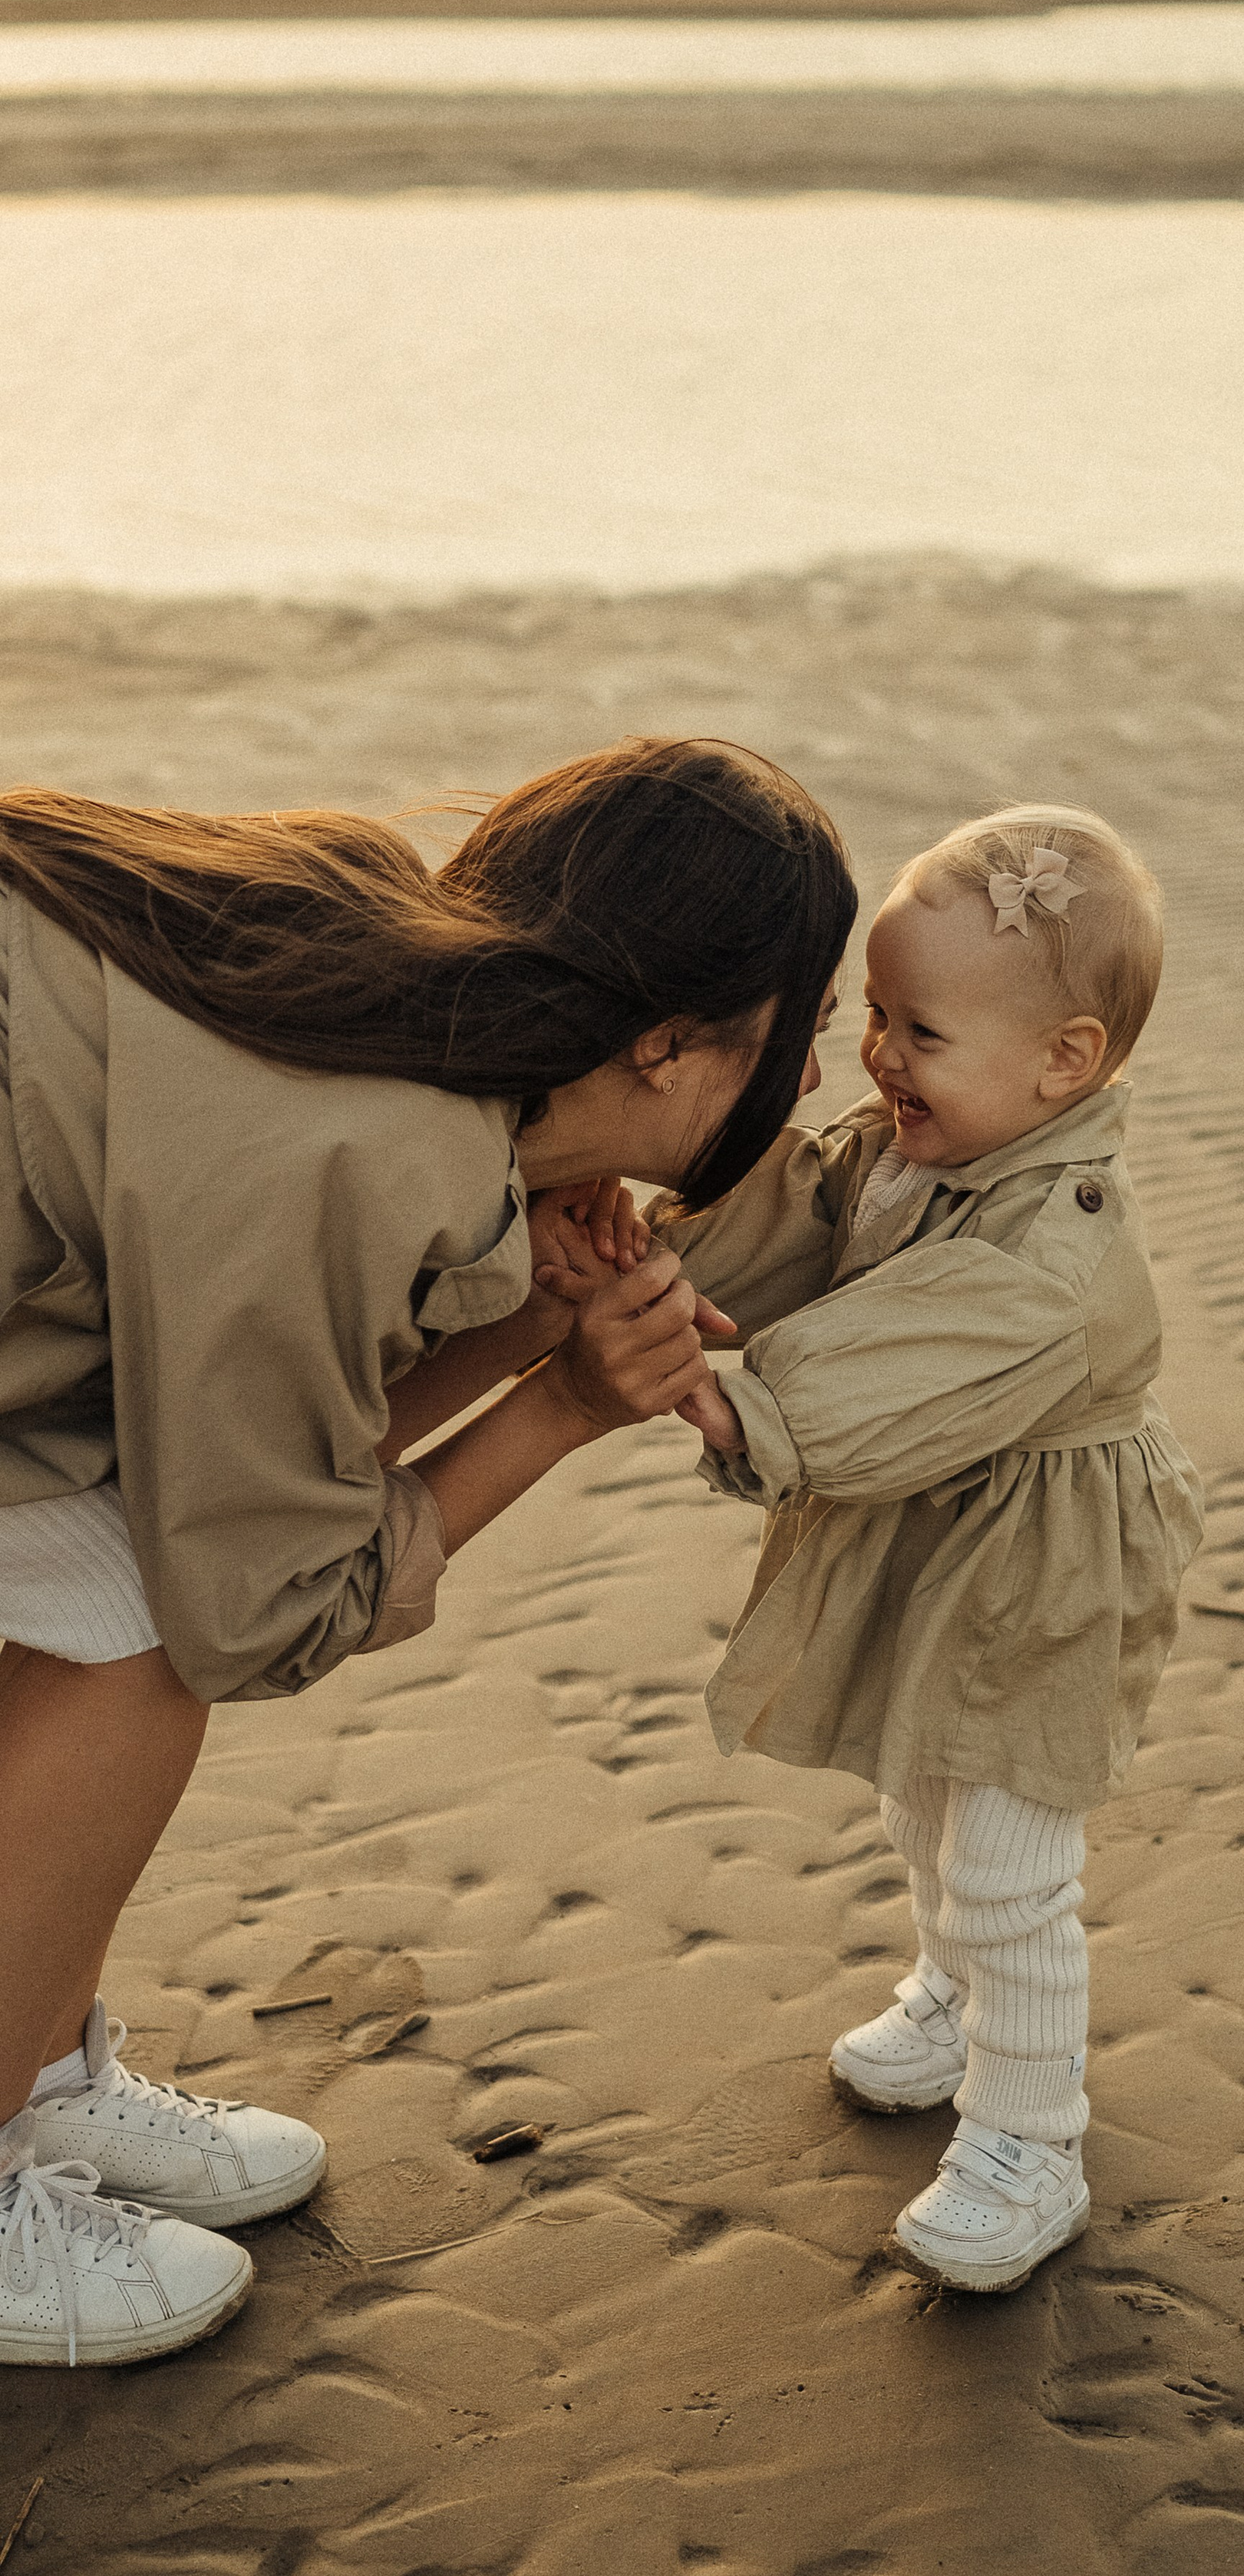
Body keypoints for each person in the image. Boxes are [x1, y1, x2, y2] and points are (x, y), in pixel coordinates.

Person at [0, 737, 855, 2366]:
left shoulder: (352, 938)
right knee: (135, 1640)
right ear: (667, 1044)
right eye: (798, 1034)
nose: (814, 1082)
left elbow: (219, 1451)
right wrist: (567, 1402)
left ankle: (33, 2074)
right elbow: (251, 1603)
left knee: (112, 1569)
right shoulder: (378, 1141)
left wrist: (527, 1312)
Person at [646, 804, 1205, 2294]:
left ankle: (1032, 2138)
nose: (877, 1055)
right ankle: (953, 1998)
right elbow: (810, 1218)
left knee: (1006, 1855)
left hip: (1042, 1565)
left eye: (919, 1030)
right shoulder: (927, 1152)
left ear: (1062, 1062)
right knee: (921, 1787)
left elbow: (895, 1365)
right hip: (939, 1527)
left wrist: (731, 1399)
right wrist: (667, 1253)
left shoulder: (1053, 1249)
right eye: (877, 1015)